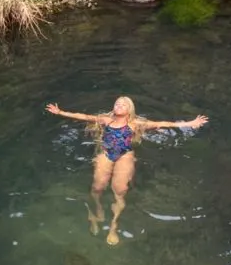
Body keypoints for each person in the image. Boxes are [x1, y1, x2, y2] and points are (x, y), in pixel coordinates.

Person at [46, 96, 208, 246]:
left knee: (120, 189)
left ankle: (113, 225)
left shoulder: (135, 124)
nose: (119, 105)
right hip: (106, 154)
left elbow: (164, 123)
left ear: (129, 109)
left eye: (123, 104)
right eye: (117, 103)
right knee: (97, 187)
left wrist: (190, 123)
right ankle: (96, 211)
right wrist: (60, 112)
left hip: (125, 156)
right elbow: (84, 116)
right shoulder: (106, 120)